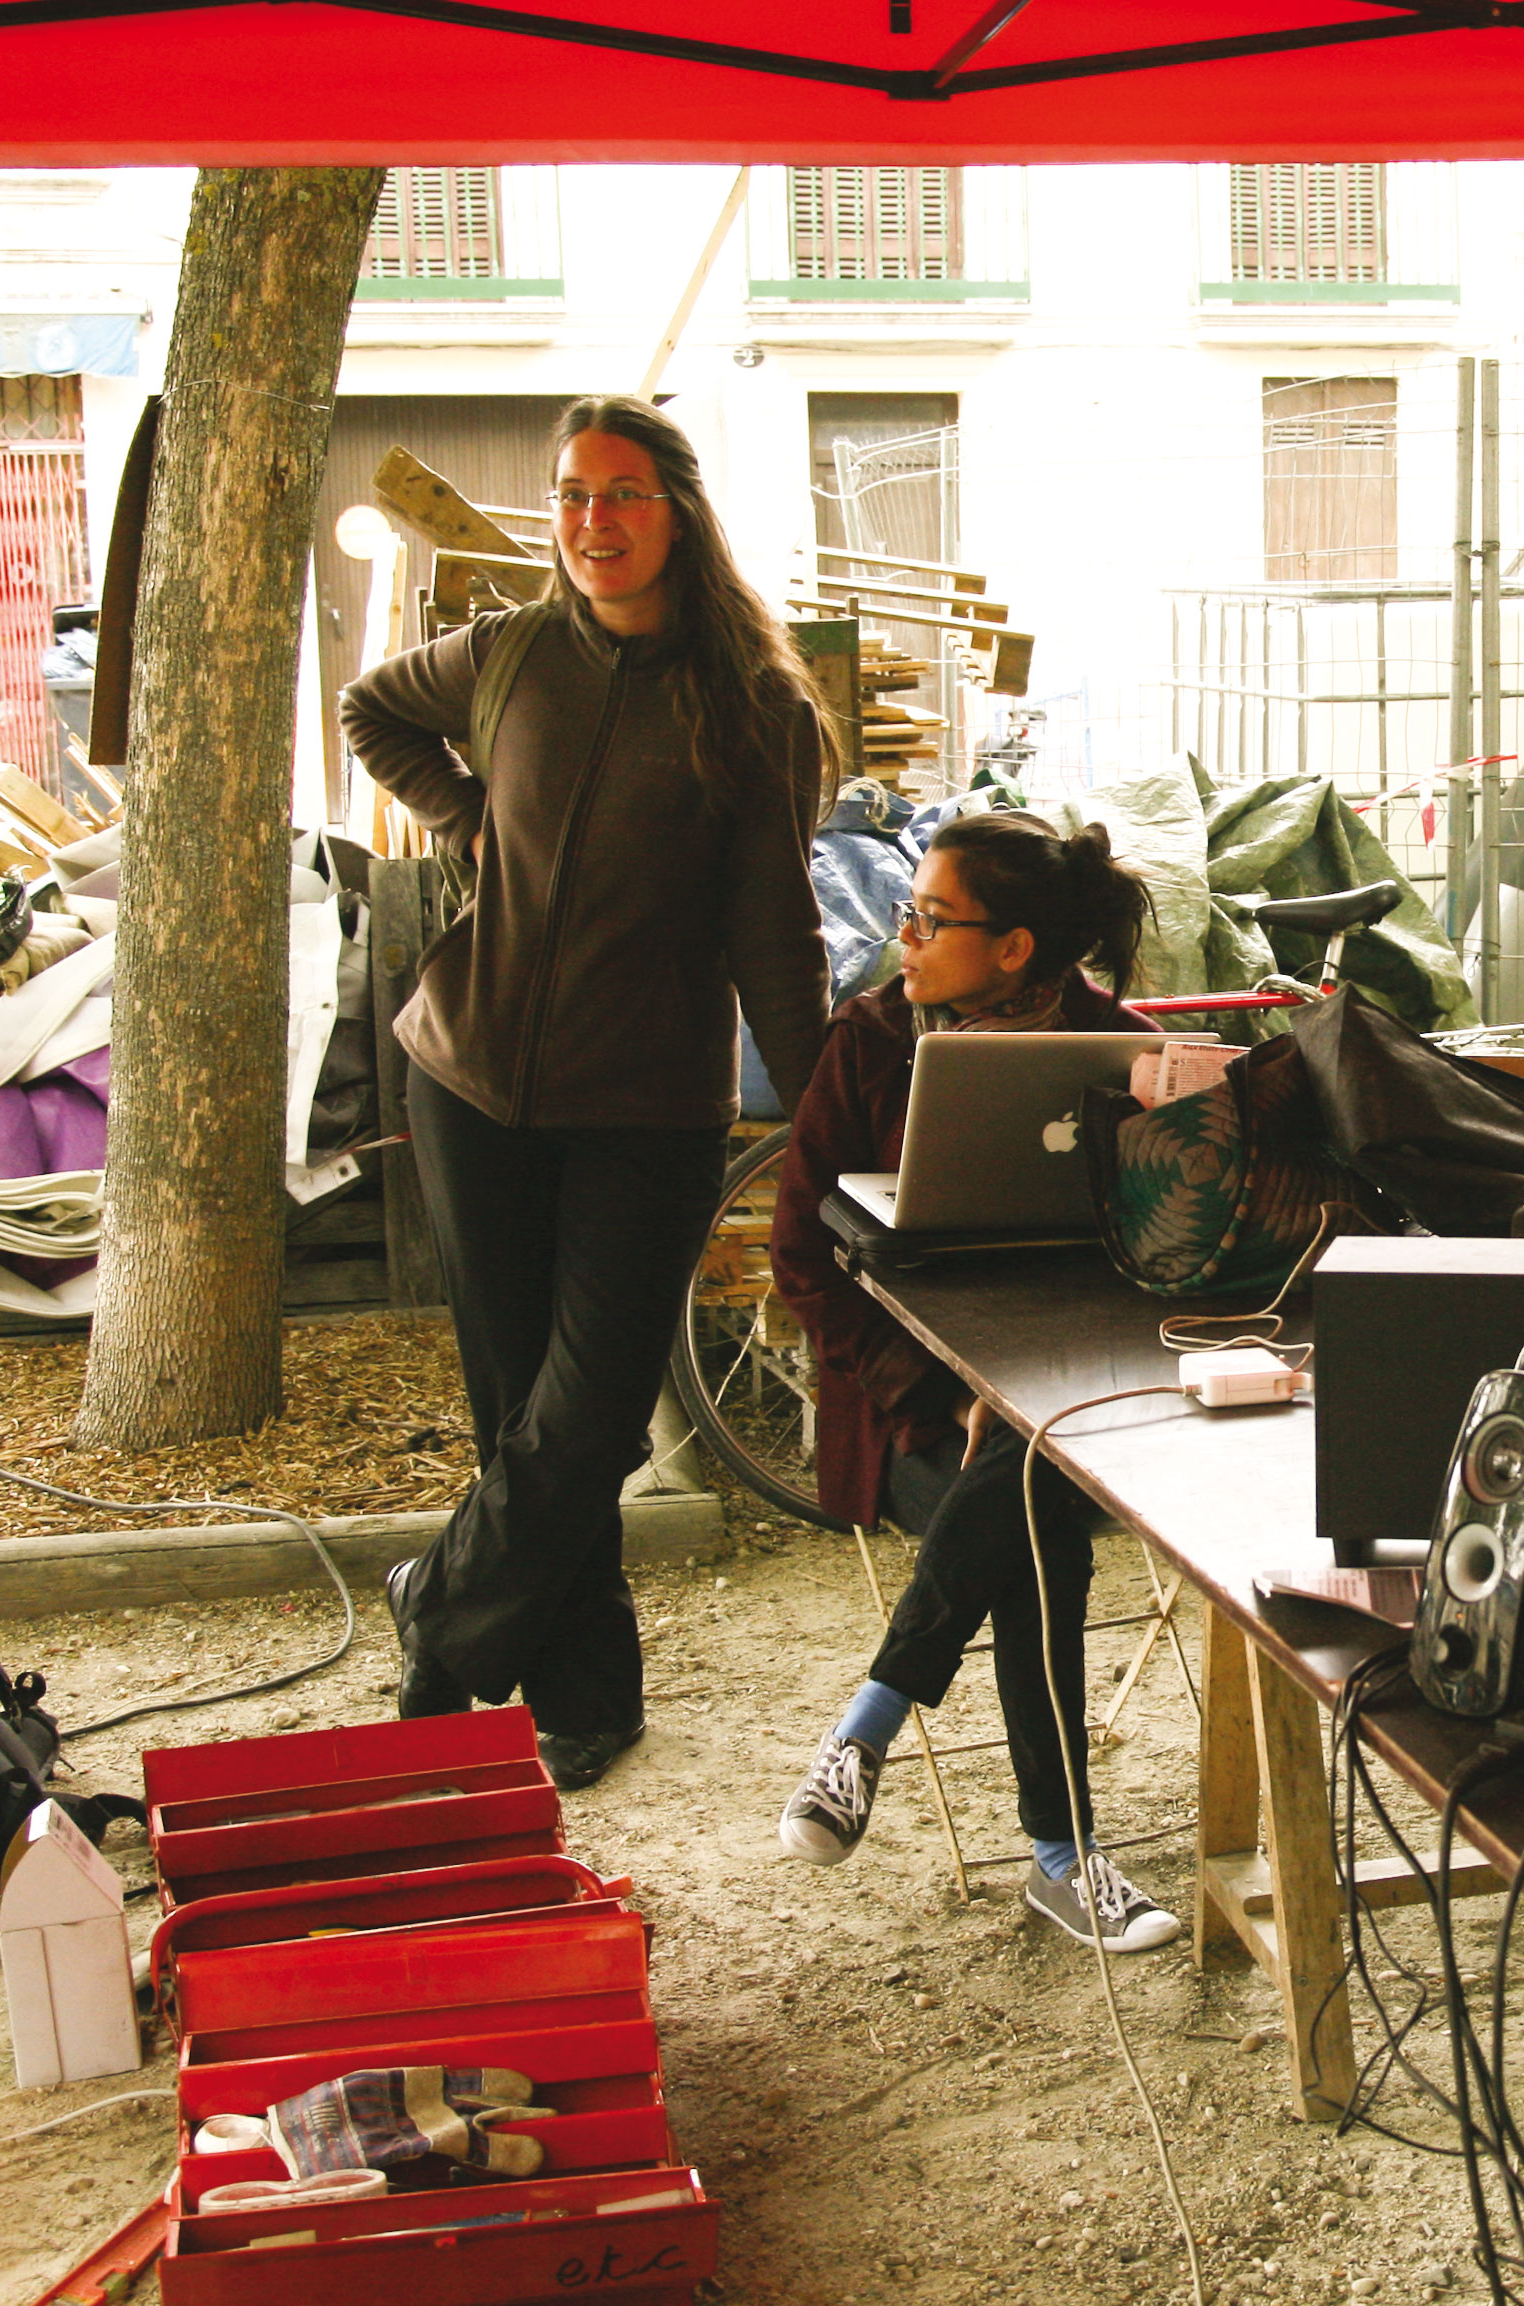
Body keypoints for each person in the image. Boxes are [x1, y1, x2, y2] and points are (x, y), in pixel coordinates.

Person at [342, 396, 828, 1791]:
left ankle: (437, 1622)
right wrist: (469, 819)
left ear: (677, 509)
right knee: (522, 1419)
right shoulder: (507, 656)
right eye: (569, 495)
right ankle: (589, 1689)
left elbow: (775, 936)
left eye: (620, 493)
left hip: (646, 1106)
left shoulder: (752, 706)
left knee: (589, 1415)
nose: (590, 521)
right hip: (471, 1079)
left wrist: (824, 1118)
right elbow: (374, 710)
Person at [762, 810, 1181, 1954]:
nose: (902, 937)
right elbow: (801, 1255)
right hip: (914, 1409)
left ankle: (872, 1717)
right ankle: (1062, 1854)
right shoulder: (871, 1042)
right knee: (1034, 1525)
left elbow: (1168, 1245)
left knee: (1034, 1471)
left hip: (1079, 1389)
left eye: (930, 919)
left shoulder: (1114, 1046)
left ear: (1012, 947)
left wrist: (1174, 1131)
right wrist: (944, 1393)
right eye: (908, 912)